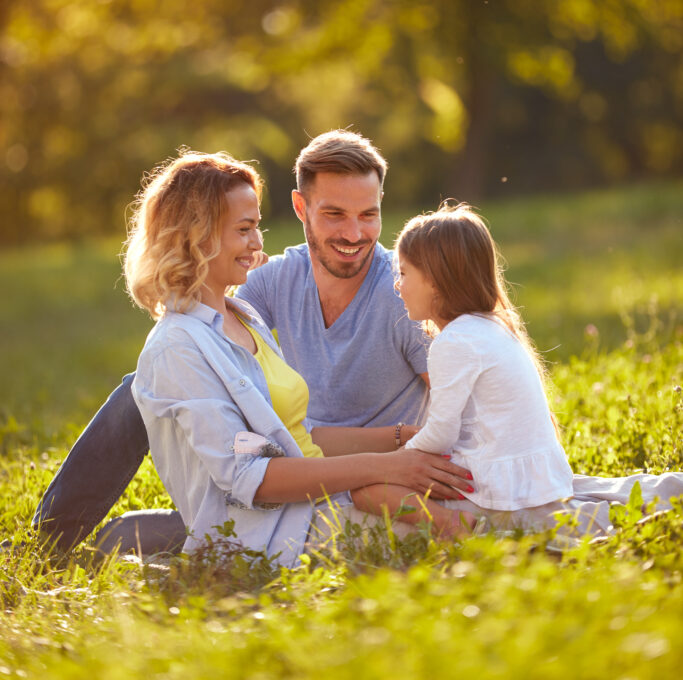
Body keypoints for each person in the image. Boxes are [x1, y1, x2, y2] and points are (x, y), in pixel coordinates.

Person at [33, 130, 465, 554]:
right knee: (141, 386)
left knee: (134, 535)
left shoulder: (403, 293)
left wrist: (404, 449)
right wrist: (213, 264)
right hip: (288, 465)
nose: (354, 234)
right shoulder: (265, 288)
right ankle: (49, 539)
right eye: (334, 214)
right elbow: (198, 337)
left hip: (343, 471)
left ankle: (141, 539)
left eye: (368, 215)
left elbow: (465, 412)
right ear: (301, 207)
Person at [351, 204, 683, 541]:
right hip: (537, 478)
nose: (397, 286)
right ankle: (662, 493)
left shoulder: (453, 341)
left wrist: (394, 462)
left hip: (496, 491)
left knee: (366, 491)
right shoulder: (493, 326)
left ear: (435, 281)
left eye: (404, 274)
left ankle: (458, 528)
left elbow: (440, 435)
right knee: (595, 499)